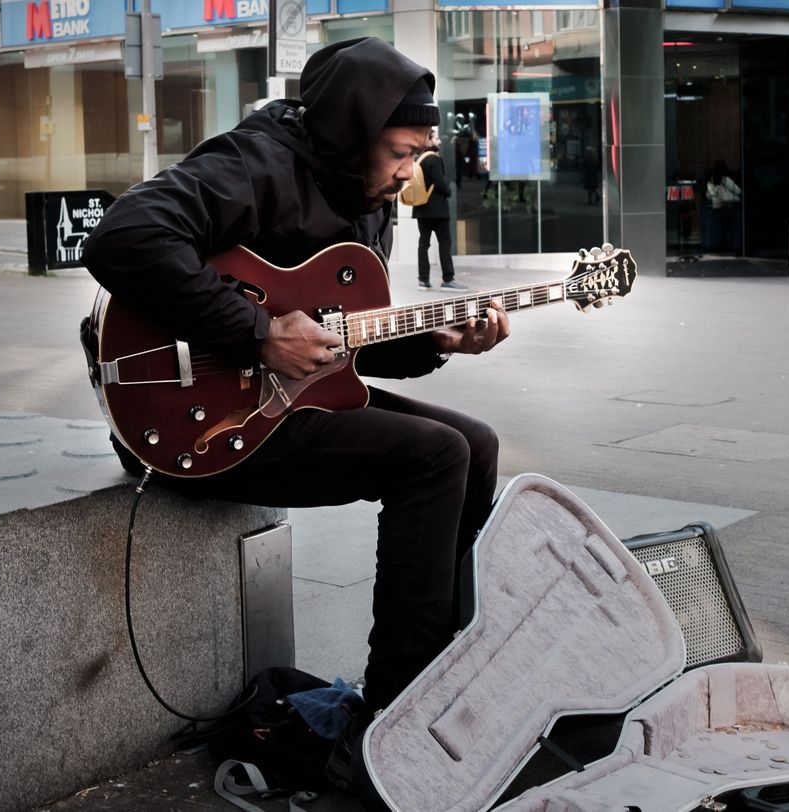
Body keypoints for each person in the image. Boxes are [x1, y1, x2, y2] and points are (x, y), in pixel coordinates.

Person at [82, 37, 509, 791]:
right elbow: (123, 236)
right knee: (433, 456)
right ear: (354, 129)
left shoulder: (365, 194)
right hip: (189, 418)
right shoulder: (259, 162)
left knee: (473, 441)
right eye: (402, 153)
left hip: (281, 402)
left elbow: (337, 345)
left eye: (419, 155)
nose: (411, 174)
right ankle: (388, 721)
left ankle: (443, 675)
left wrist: (435, 342)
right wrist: (254, 334)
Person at [412, 128, 464, 291]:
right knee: (444, 243)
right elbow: (439, 184)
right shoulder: (434, 159)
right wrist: (448, 192)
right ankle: (448, 279)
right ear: (428, 141)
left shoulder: (419, 159)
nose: (440, 141)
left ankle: (423, 280)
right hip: (438, 211)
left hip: (421, 209)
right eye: (436, 139)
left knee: (423, 244)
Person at [704, 159, 741, 253]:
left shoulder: (711, 179)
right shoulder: (726, 179)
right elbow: (738, 191)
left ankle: (719, 246)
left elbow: (708, 195)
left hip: (716, 207)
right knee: (728, 228)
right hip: (728, 207)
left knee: (719, 229)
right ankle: (727, 246)